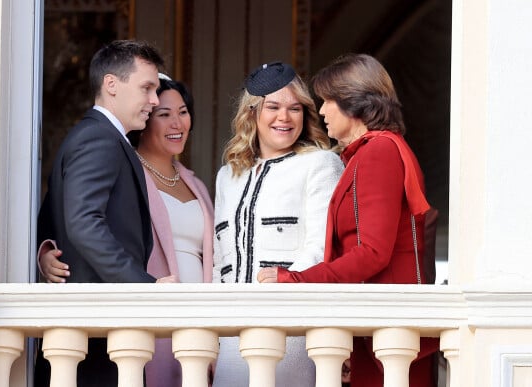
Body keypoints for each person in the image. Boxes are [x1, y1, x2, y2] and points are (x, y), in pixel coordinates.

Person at [257, 53, 438, 387]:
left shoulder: (379, 151)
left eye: (327, 101)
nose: (322, 110)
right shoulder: (367, 153)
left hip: (387, 338)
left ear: (353, 103)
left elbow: (372, 252)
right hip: (374, 333)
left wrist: (297, 279)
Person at [38, 75, 214, 387]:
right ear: (146, 118)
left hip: (195, 320)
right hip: (146, 310)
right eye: (164, 114)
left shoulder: (196, 183)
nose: (177, 123)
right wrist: (46, 250)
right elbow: (70, 213)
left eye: (183, 112)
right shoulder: (120, 163)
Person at [212, 62, 344, 386]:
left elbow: (319, 249)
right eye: (273, 107)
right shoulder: (228, 176)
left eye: (294, 108)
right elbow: (220, 262)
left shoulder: (320, 164)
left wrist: (273, 303)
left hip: (291, 331)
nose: (284, 118)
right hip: (230, 337)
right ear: (253, 113)